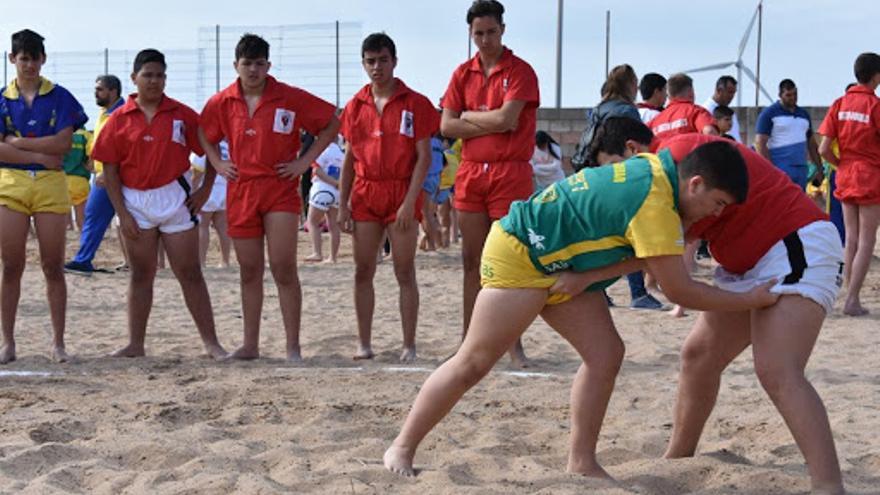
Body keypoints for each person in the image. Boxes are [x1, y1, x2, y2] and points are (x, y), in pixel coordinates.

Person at [384, 122, 781, 479]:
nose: (716, 215)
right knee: (473, 362)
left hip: (566, 262)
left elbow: (640, 253)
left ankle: (581, 462)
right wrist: (749, 298)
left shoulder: (658, 170)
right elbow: (678, 291)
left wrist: (586, 278)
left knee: (606, 353)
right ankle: (401, 447)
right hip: (522, 251)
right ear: (695, 183)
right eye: (718, 204)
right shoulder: (656, 204)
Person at [651, 134, 844, 495]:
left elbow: (673, 279)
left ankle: (829, 486)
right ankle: (678, 460)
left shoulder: (677, 164)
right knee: (698, 356)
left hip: (795, 240)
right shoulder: (660, 174)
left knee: (776, 368)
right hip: (745, 261)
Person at [200, 34, 339, 361]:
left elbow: (332, 123)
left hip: (279, 188)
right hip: (241, 189)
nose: (253, 70)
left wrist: (305, 162)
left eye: (259, 64)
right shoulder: (222, 101)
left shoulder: (288, 96)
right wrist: (218, 161)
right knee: (249, 270)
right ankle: (250, 345)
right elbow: (203, 134)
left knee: (283, 267)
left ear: (268, 66)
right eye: (247, 63)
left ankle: (293, 346)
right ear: (236, 65)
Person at [91, 49, 227, 359]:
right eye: (148, 75)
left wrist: (205, 190)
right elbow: (109, 170)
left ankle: (211, 343)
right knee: (141, 274)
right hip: (133, 200)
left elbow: (211, 149)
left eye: (159, 75)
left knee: (190, 272)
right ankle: (135, 344)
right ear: (134, 78)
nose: (154, 81)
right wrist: (122, 212)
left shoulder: (182, 114)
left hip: (175, 196)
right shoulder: (118, 120)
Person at [440, 0, 539, 367]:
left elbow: (508, 120)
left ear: (503, 30)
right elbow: (446, 126)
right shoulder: (461, 73)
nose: (484, 39)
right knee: (472, 262)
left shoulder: (521, 71)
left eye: (491, 32)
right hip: (471, 172)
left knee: (508, 263)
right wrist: (483, 119)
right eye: (478, 33)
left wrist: (469, 116)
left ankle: (512, 344)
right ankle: (471, 342)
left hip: (509, 172)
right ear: (470, 33)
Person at [337, 33, 438, 362]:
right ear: (363, 64)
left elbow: (424, 157)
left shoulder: (416, 103)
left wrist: (411, 202)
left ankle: (409, 344)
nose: (376, 67)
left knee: (404, 271)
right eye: (370, 61)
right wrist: (342, 204)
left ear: (394, 61)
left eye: (382, 59)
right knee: (362, 270)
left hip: (401, 190)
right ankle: (363, 343)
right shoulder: (355, 105)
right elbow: (350, 159)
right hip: (366, 192)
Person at [0, 29, 86, 364]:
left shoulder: (60, 96)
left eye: (35, 58)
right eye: (23, 58)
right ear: (12, 59)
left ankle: (58, 343)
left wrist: (18, 144)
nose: (30, 64)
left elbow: (63, 144)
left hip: (51, 183)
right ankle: (8, 342)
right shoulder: (2, 98)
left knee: (53, 265)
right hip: (11, 184)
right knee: (11, 265)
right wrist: (38, 155)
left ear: (43, 59)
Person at [818, 52, 880, 317]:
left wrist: (839, 164)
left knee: (851, 237)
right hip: (869, 174)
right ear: (876, 77)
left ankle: (846, 290)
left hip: (844, 172)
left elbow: (823, 149)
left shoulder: (839, 103)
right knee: (867, 239)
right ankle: (853, 299)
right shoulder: (875, 106)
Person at [64, 75, 127, 275]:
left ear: (113, 91)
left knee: (94, 216)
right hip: (102, 174)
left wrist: (109, 172)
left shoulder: (121, 114)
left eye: (100, 89)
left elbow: (124, 148)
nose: (95, 93)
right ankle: (84, 259)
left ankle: (83, 260)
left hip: (111, 176)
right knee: (100, 218)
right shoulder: (105, 113)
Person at [755, 79, 824, 190]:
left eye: (795, 94)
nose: (793, 98)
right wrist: (769, 169)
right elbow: (760, 143)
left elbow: (811, 144)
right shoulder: (769, 113)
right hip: (780, 167)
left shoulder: (804, 114)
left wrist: (819, 169)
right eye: (788, 95)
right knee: (780, 203)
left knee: (798, 204)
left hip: (801, 168)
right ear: (780, 95)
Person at [191, 140, 231, 268]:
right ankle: (225, 261)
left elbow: (197, 172)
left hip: (208, 189)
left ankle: (201, 261)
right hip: (225, 188)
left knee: (203, 226)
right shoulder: (227, 147)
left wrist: (192, 190)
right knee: (223, 227)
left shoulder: (204, 147)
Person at [304, 139, 343, 263]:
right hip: (337, 193)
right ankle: (333, 256)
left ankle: (317, 252)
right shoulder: (341, 153)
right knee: (334, 225)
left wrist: (333, 183)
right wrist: (338, 185)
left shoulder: (321, 151)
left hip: (322, 188)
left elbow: (317, 171)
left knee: (312, 221)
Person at [649, 73, 717, 140]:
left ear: (669, 96)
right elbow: (709, 131)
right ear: (691, 92)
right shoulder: (696, 111)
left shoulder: (653, 122)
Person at [418, 134, 445, 251]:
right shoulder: (438, 143)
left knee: (426, 214)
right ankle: (431, 241)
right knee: (430, 213)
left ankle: (431, 243)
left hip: (425, 177)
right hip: (435, 179)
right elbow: (444, 164)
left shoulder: (424, 141)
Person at [63, 127, 92, 231]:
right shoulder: (85, 135)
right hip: (79, 179)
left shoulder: (58, 132)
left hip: (59, 180)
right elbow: (92, 160)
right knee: (83, 221)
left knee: (65, 224)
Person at [702, 75, 742, 142]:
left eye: (734, 93)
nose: (732, 96)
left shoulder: (730, 112)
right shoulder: (704, 111)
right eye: (729, 92)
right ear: (719, 90)